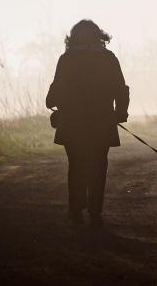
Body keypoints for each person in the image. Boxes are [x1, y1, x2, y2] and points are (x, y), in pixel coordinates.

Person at [46, 19, 129, 227]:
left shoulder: (66, 59)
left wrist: (52, 101)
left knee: (76, 166)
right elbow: (121, 88)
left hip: (72, 124)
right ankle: (95, 211)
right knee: (99, 166)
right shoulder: (109, 59)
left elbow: (54, 92)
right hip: (102, 124)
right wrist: (120, 113)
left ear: (72, 37)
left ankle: (76, 210)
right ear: (99, 36)